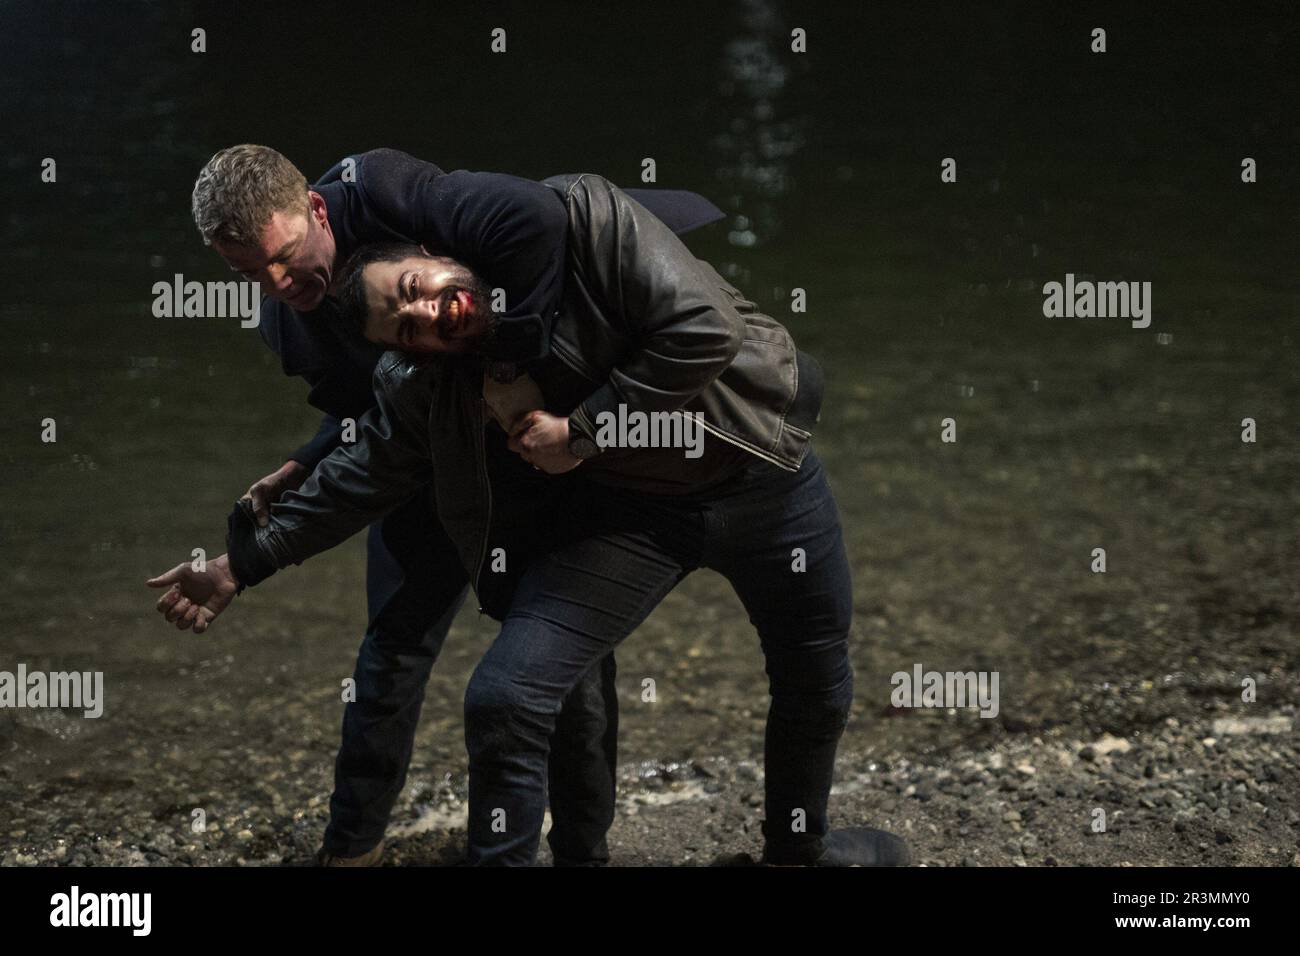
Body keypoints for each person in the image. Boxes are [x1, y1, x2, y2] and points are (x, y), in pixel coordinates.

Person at [151, 171, 911, 867]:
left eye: (416, 286)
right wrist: (235, 566)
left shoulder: (588, 221)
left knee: (815, 676)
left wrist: (582, 434)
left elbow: (707, 331)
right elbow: (364, 473)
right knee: (503, 697)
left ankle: (795, 856)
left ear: (434, 250)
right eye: (407, 326)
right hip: (634, 521)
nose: (427, 312)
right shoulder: (433, 376)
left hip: (767, 479)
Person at [174, 145, 718, 865]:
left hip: (525, 460)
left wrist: (513, 374)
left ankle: (584, 849)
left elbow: (538, 234)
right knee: (393, 650)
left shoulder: (399, 198)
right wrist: (303, 465)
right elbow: (361, 415)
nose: (277, 284)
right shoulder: (286, 318)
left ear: (315, 208)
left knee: (573, 663)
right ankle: (351, 845)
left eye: (284, 258)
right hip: (412, 468)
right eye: (250, 274)